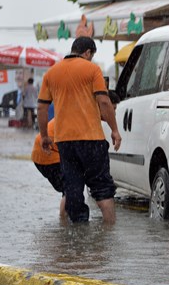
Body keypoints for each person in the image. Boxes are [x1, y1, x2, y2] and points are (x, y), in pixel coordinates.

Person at [37, 37, 122, 224]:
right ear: (88, 53)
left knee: (73, 188)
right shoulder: (92, 70)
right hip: (92, 139)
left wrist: (44, 136)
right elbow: (104, 101)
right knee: (102, 188)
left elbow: (42, 108)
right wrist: (114, 130)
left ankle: (78, 239)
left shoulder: (51, 73)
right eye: (91, 56)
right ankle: (109, 234)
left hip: (64, 142)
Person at [32, 90, 121, 220]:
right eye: (113, 109)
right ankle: (64, 224)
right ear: (102, 105)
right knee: (70, 188)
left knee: (69, 188)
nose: (114, 113)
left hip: (44, 150)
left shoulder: (84, 112)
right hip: (48, 152)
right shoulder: (87, 117)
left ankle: (64, 225)